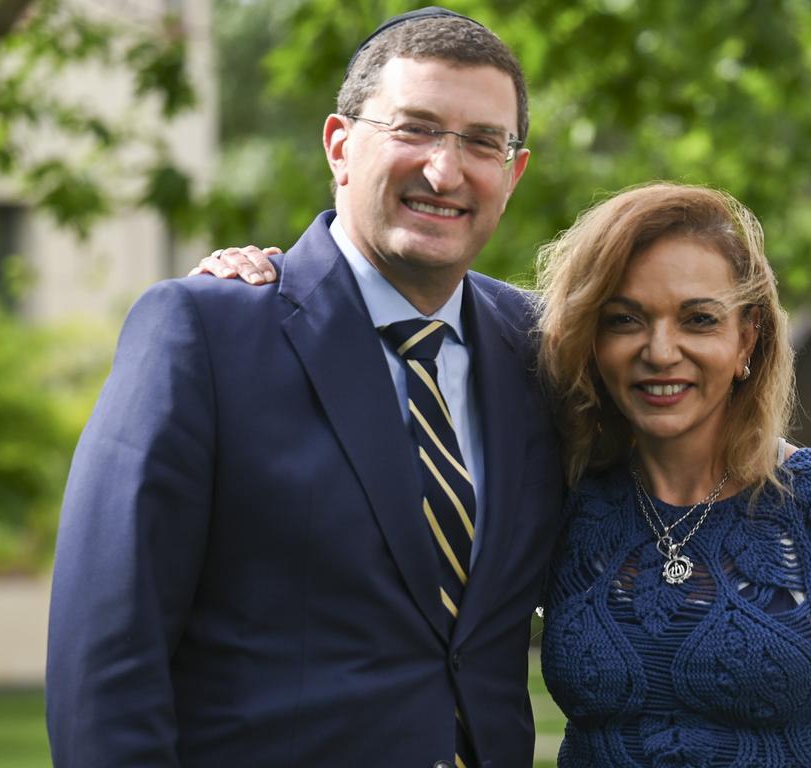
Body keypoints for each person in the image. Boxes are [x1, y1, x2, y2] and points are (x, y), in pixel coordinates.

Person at [46, 9, 565, 767]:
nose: (445, 171)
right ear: (339, 145)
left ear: (512, 174)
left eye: (482, 141)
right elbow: (106, 658)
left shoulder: (543, 352)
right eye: (414, 128)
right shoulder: (205, 333)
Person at [533, 182, 811, 767]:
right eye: (625, 319)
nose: (661, 350)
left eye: (698, 319)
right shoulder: (562, 501)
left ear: (747, 336)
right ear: (591, 338)